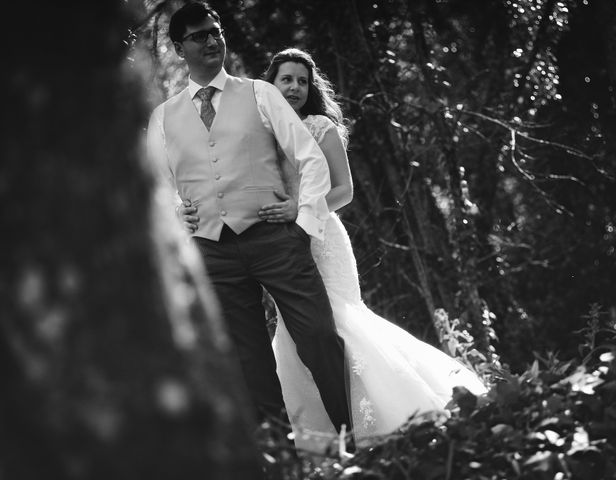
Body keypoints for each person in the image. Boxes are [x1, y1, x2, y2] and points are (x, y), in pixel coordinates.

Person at [182, 47, 488, 453]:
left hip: (322, 238)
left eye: (302, 81)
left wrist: (300, 207)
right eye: (285, 79)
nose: (293, 87)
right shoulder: (254, 131)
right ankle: (319, 442)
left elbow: (344, 191)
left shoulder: (319, 126)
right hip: (273, 244)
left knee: (337, 323)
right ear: (268, 85)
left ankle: (384, 418)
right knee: (294, 335)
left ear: (311, 90)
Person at [146, 3, 353, 443]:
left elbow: (311, 161)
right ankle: (282, 460)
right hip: (212, 252)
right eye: (200, 35)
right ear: (179, 48)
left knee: (318, 338)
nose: (212, 41)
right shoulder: (162, 118)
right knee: (248, 362)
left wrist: (303, 226)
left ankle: (348, 440)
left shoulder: (260, 93)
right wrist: (175, 217)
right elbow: (154, 189)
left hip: (277, 241)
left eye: (216, 32)